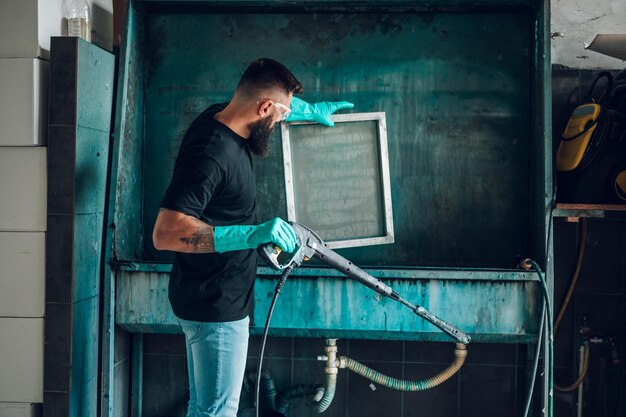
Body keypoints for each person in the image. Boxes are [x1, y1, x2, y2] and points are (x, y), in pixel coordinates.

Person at [152, 58, 353, 417]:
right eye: (278, 116)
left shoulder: (222, 116)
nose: (278, 123)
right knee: (218, 412)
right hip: (215, 304)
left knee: (204, 408)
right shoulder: (211, 155)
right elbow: (166, 232)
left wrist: (305, 110)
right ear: (262, 108)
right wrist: (252, 234)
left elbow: (269, 106)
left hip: (208, 294)